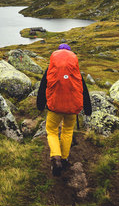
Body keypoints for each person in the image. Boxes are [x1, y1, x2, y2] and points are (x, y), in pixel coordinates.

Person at [36, 43, 92, 176]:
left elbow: (43, 86)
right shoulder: (75, 70)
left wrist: (40, 104)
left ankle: (55, 157)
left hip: (54, 107)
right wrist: (88, 108)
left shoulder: (51, 68)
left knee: (52, 131)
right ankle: (64, 158)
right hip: (72, 108)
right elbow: (83, 89)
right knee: (67, 131)